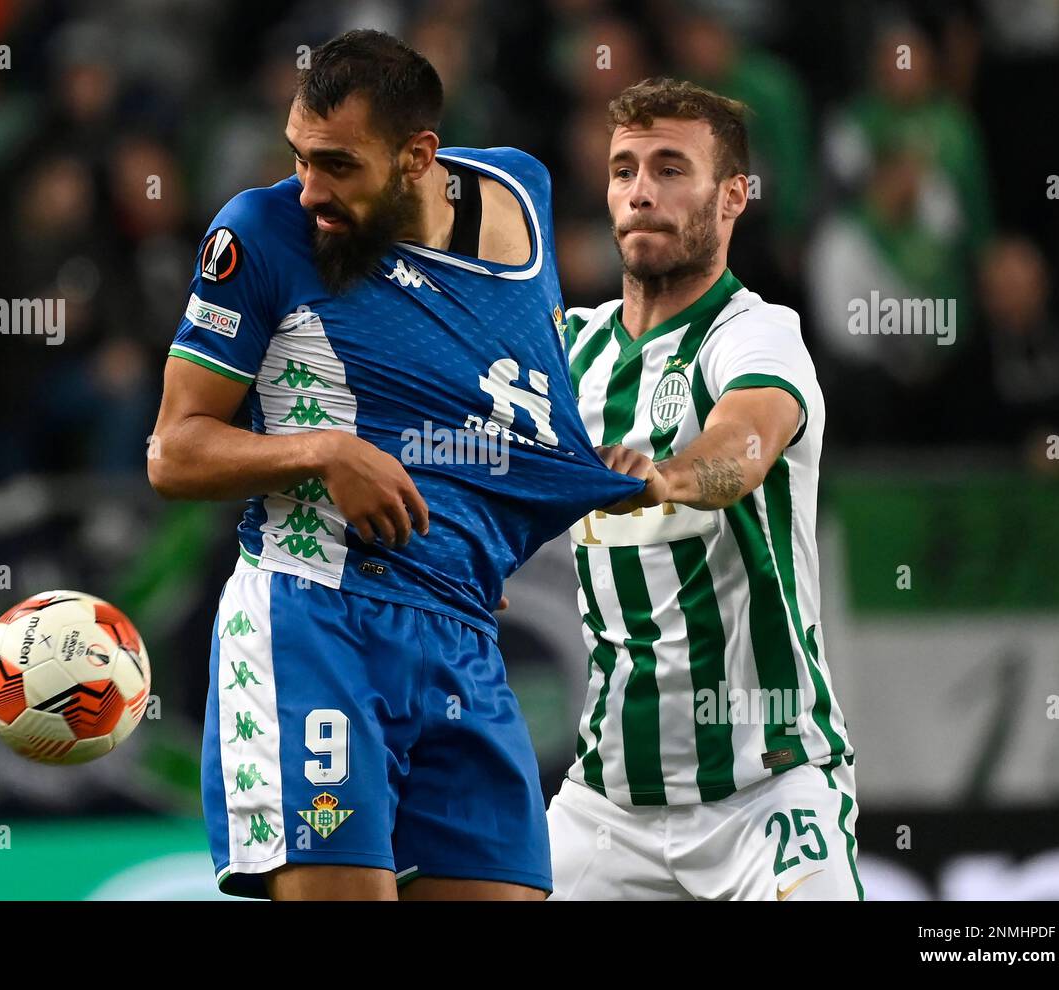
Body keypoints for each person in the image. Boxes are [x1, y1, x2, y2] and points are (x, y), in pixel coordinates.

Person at [147, 30, 644, 901]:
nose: (309, 191)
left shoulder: (521, 194)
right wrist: (324, 451)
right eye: (299, 157)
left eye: (338, 165)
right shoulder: (259, 236)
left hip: (463, 635)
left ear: (419, 157)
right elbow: (173, 450)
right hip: (316, 617)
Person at [548, 78, 861, 900]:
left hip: (769, 793)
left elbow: (743, 448)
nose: (640, 190)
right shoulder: (563, 353)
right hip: (604, 808)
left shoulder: (757, 331)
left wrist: (663, 477)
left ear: (732, 198)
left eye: (668, 168)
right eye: (622, 170)